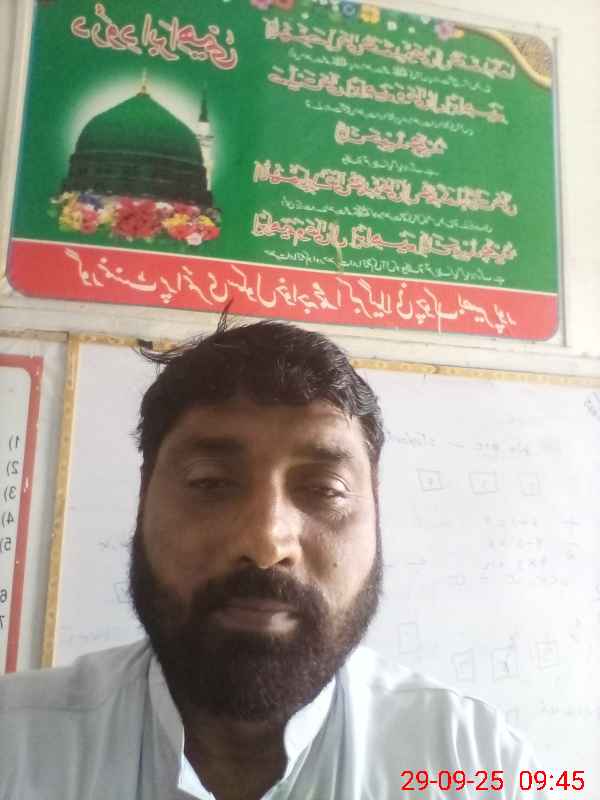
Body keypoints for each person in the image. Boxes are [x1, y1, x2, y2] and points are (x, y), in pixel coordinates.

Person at [0, 312, 546, 800]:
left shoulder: (479, 767)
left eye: (325, 489)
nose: (266, 542)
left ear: (376, 510)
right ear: (144, 498)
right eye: (210, 482)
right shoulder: (14, 746)